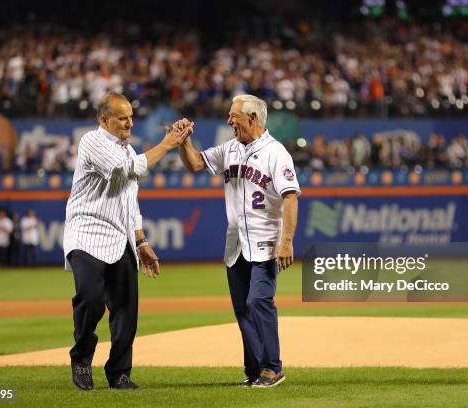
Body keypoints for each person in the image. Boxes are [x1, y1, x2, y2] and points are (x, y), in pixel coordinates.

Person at [63, 92, 191, 391]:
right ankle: (81, 358)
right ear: (103, 119)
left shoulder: (128, 149)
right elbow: (127, 170)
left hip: (121, 237)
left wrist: (141, 241)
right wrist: (167, 144)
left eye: (131, 116)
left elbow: (129, 201)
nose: (129, 122)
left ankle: (119, 372)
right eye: (122, 118)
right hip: (86, 233)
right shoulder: (91, 142)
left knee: (125, 311)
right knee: (91, 300)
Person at [177, 94, 300, 388]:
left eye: (234, 116)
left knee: (259, 300)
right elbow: (195, 163)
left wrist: (287, 242)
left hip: (266, 242)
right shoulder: (230, 149)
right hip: (235, 245)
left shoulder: (276, 152)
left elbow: (290, 198)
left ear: (253, 119)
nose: (229, 121)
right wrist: (184, 141)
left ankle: (273, 367)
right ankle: (255, 370)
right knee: (242, 309)